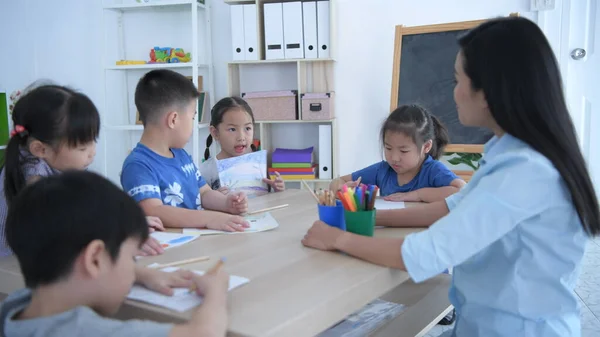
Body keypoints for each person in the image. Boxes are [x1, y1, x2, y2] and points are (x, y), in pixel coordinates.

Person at [302, 16, 600, 336]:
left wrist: (337, 239)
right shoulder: (515, 155)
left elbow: (426, 254)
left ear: (487, 92)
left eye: (457, 80)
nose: (453, 93)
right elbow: (451, 208)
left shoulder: (524, 172)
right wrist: (370, 220)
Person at [0, 171, 229, 337]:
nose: (133, 269)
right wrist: (216, 292)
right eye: (131, 258)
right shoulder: (83, 331)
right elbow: (204, 333)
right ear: (95, 259)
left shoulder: (16, 305)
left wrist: (142, 274)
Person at [0, 84, 164, 257]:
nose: (92, 152)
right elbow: (68, 226)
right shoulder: (33, 176)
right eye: (82, 148)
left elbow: (89, 207)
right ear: (40, 149)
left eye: (93, 140)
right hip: (13, 270)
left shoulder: (55, 161)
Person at [121, 70, 249, 231]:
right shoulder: (138, 166)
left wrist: (226, 203)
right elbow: (154, 211)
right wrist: (211, 218)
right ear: (173, 119)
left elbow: (204, 193)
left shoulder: (181, 156)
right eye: (193, 117)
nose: (193, 124)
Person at [329, 104, 465, 202]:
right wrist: (342, 188)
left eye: (403, 151)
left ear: (426, 146)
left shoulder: (433, 170)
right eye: (388, 148)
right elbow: (337, 181)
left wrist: (416, 195)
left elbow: (462, 190)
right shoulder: (383, 170)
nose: (394, 158)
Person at [200, 96, 285, 196]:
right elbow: (199, 208)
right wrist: (213, 199)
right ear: (215, 133)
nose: (241, 137)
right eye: (232, 129)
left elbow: (266, 200)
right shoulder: (206, 170)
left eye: (247, 128)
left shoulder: (258, 165)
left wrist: (277, 190)